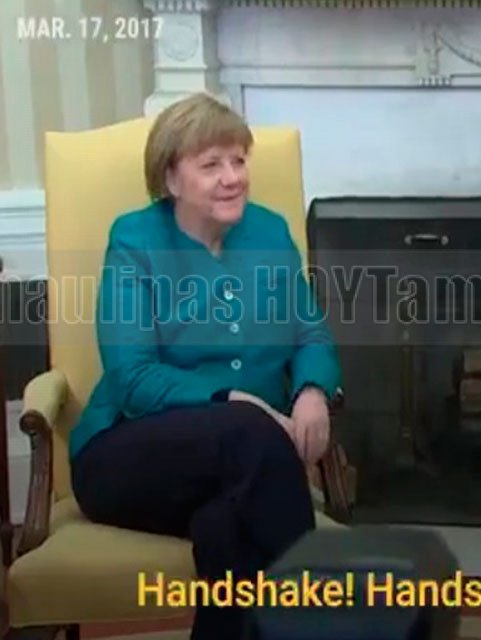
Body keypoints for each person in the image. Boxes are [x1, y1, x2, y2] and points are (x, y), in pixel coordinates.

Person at [68, 93, 341, 640]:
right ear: (171, 178)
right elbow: (132, 379)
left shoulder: (269, 233)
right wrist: (234, 401)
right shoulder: (135, 241)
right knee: (248, 430)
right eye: (211, 164)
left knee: (227, 531)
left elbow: (309, 333)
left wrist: (312, 390)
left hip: (242, 466)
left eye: (239, 160)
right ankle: (322, 618)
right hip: (125, 456)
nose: (232, 177)